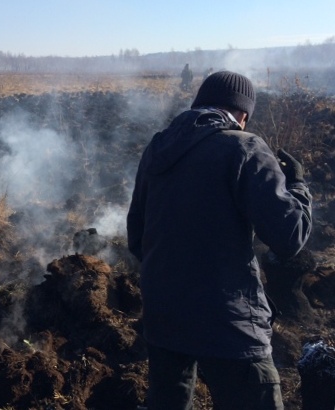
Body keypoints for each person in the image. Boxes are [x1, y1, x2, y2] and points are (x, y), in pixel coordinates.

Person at [127, 71, 312, 409]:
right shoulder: (245, 147)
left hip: (163, 315)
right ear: (242, 113)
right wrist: (297, 186)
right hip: (229, 321)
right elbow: (290, 236)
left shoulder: (158, 146)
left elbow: (137, 238)